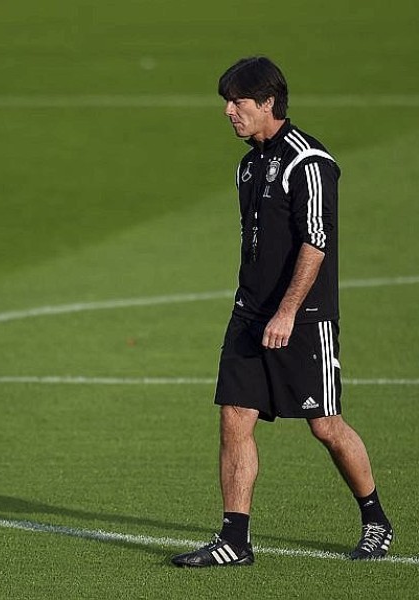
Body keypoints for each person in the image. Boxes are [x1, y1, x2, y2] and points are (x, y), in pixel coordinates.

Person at [171, 56, 394, 568]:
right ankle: (235, 539)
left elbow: (316, 243)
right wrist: (253, 306)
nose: (229, 111)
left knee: (326, 426)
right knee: (235, 417)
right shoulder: (248, 165)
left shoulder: (308, 162)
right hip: (250, 316)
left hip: (304, 318)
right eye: (227, 102)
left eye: (239, 102)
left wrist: (288, 311)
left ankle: (376, 520)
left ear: (268, 103)